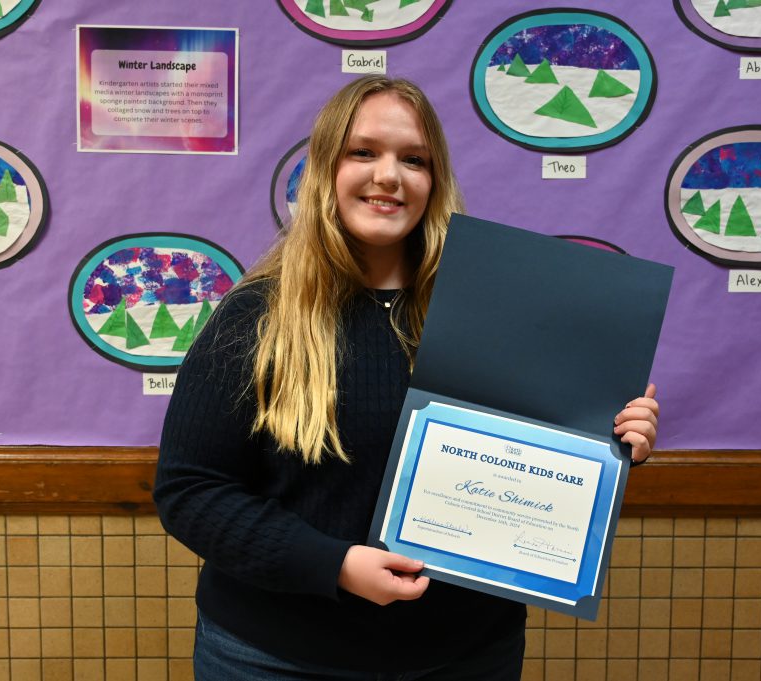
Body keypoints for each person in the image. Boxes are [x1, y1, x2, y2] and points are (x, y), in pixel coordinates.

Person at [155, 75, 660, 680]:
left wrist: (611, 436)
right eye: (363, 152)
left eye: (413, 160)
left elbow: (541, 464)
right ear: (325, 171)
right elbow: (190, 490)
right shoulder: (257, 317)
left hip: (464, 656)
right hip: (275, 657)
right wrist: (332, 563)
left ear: (435, 181)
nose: (389, 175)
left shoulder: (500, 316)